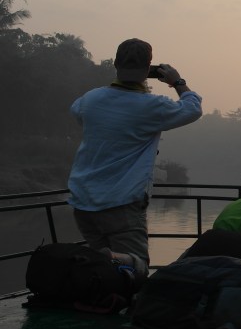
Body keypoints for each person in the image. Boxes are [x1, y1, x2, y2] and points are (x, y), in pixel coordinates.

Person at [67, 38, 202, 274]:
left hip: (83, 202)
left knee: (100, 271)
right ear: (148, 68)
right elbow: (192, 109)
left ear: (115, 64)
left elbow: (77, 111)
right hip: (121, 203)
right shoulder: (152, 106)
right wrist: (177, 82)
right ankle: (111, 261)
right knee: (136, 270)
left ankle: (104, 265)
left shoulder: (90, 99)